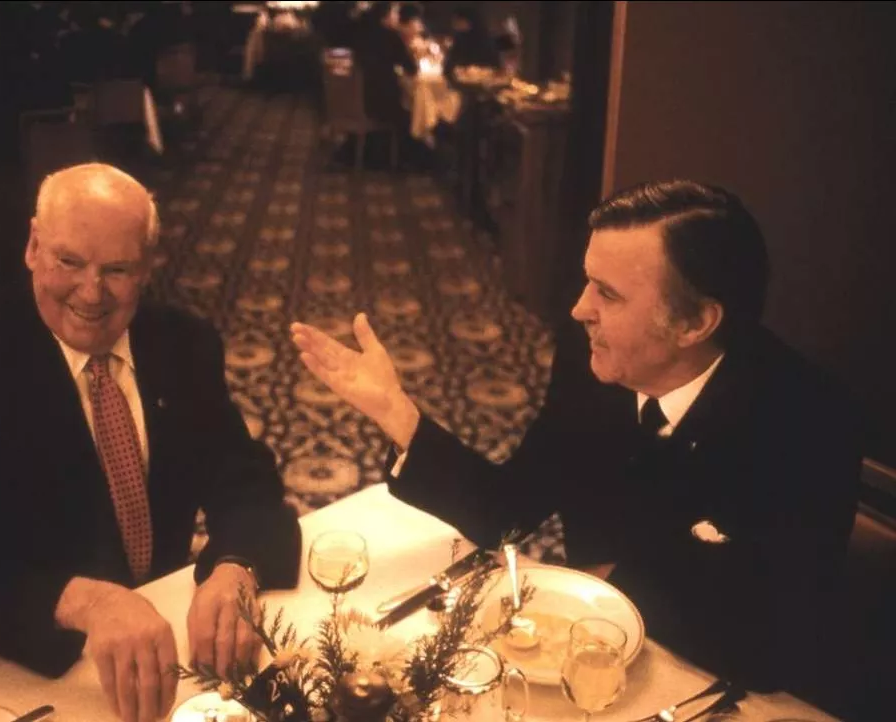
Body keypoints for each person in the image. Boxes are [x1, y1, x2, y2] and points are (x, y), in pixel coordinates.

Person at [291, 180, 862, 698]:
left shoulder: (807, 422)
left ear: (694, 324)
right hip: (581, 666)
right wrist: (398, 413)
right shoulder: (593, 366)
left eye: (607, 295)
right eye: (587, 282)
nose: (577, 309)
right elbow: (508, 510)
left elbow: (771, 647)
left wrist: (615, 580)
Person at [0, 164, 302, 722]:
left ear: (148, 267)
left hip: (161, 663)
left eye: (118, 269)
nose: (91, 292)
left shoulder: (184, 345)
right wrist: (82, 601)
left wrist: (236, 567)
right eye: (69, 261)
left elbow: (247, 482)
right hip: (3, 678)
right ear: (33, 246)